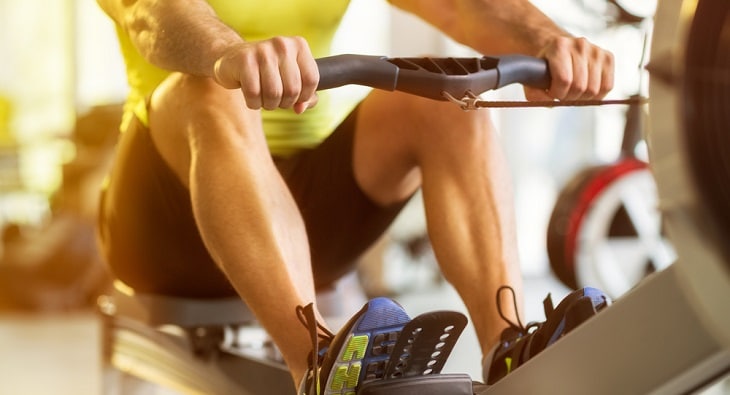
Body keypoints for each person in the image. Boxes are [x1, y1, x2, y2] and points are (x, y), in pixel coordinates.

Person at [96, 0, 614, 393]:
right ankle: (321, 369)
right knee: (210, 89)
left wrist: (547, 39)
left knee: (446, 98)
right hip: (165, 221)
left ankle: (508, 347)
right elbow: (151, 14)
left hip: (305, 219)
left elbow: (462, 5)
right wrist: (226, 52)